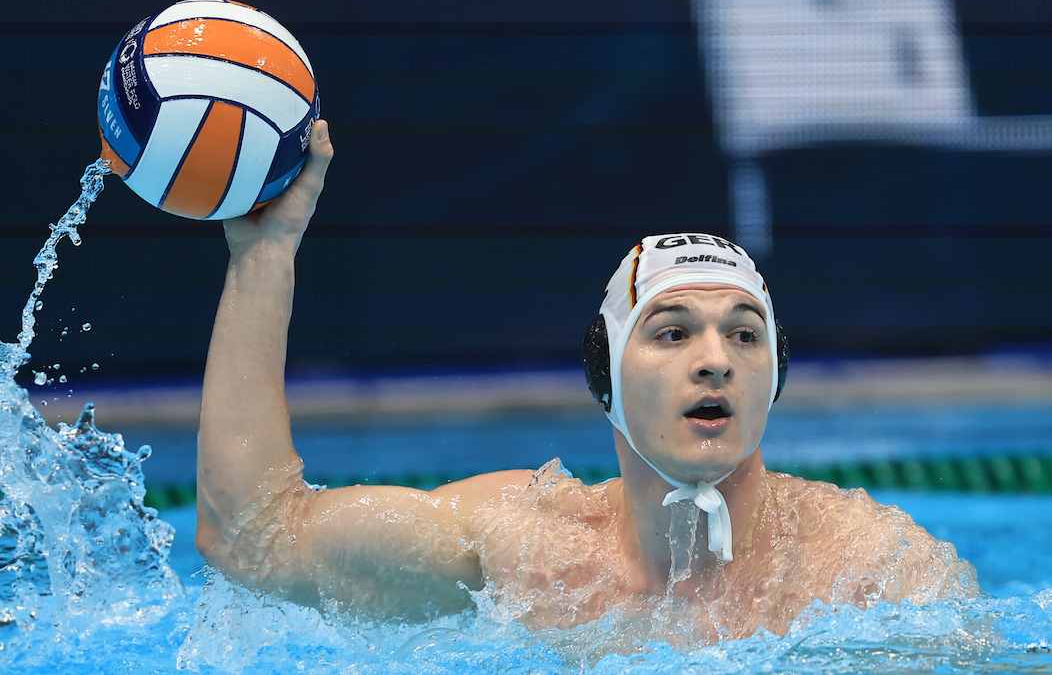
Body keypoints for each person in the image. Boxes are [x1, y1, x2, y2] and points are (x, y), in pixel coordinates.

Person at [195, 120, 978, 640]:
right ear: (605, 374)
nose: (716, 358)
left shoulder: (869, 570)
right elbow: (253, 540)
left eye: (745, 333)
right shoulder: (521, 552)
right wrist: (264, 256)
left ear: (774, 374)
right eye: (672, 332)